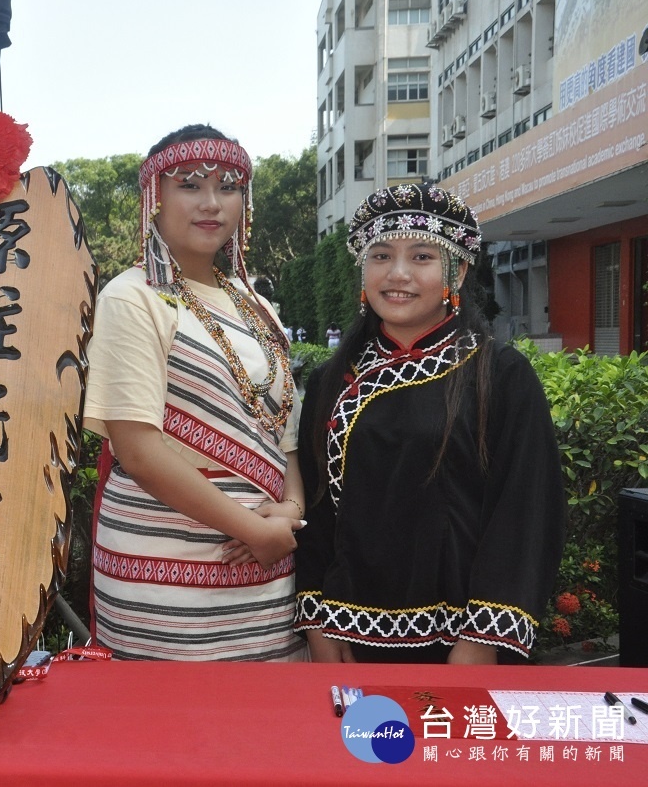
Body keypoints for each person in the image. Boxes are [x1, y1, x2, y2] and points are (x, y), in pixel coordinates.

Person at [294, 182, 565, 664]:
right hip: (346, 638)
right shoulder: (330, 381)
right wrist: (318, 623)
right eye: (381, 256)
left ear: (456, 271)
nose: (397, 274)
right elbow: (315, 514)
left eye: (421, 257)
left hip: (462, 642)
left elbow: (524, 514)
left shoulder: (499, 374)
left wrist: (481, 641)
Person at [83, 125, 307, 661]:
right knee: (167, 733)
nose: (212, 203)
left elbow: (284, 435)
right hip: (161, 570)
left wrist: (290, 512)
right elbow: (137, 451)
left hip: (267, 565)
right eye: (189, 184)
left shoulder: (260, 306)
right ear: (154, 198)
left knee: (265, 730)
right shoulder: (132, 296)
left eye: (228, 186)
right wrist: (252, 529)